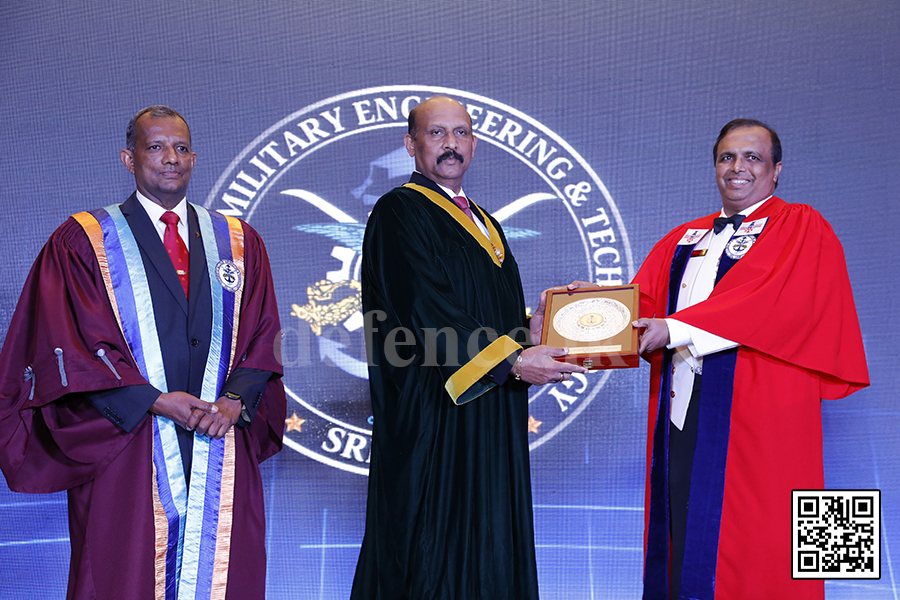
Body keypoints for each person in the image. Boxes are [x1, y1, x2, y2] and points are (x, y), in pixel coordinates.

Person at [0, 106, 286, 600]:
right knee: (121, 573)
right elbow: (71, 339)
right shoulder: (86, 240)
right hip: (127, 439)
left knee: (227, 571)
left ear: (194, 158)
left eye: (180, 148)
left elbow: (263, 331)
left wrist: (236, 401)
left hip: (220, 440)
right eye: (155, 147)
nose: (169, 158)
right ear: (128, 159)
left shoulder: (237, 242)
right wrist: (154, 400)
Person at [350, 96, 586, 600]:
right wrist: (514, 358)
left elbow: (484, 314)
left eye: (461, 133)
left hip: (491, 406)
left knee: (489, 538)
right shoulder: (398, 211)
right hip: (434, 410)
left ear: (474, 143)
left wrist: (536, 327)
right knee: (433, 545)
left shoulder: (485, 221)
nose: (451, 144)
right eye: (437, 134)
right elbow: (425, 306)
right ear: (411, 144)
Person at [631, 119, 869, 600]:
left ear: (777, 170)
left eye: (753, 158)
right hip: (683, 411)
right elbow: (640, 304)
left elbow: (771, 301)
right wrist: (576, 314)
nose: (738, 168)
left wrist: (674, 328)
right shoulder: (684, 236)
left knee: (766, 539)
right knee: (682, 533)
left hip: (765, 414)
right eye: (726, 158)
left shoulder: (802, 225)